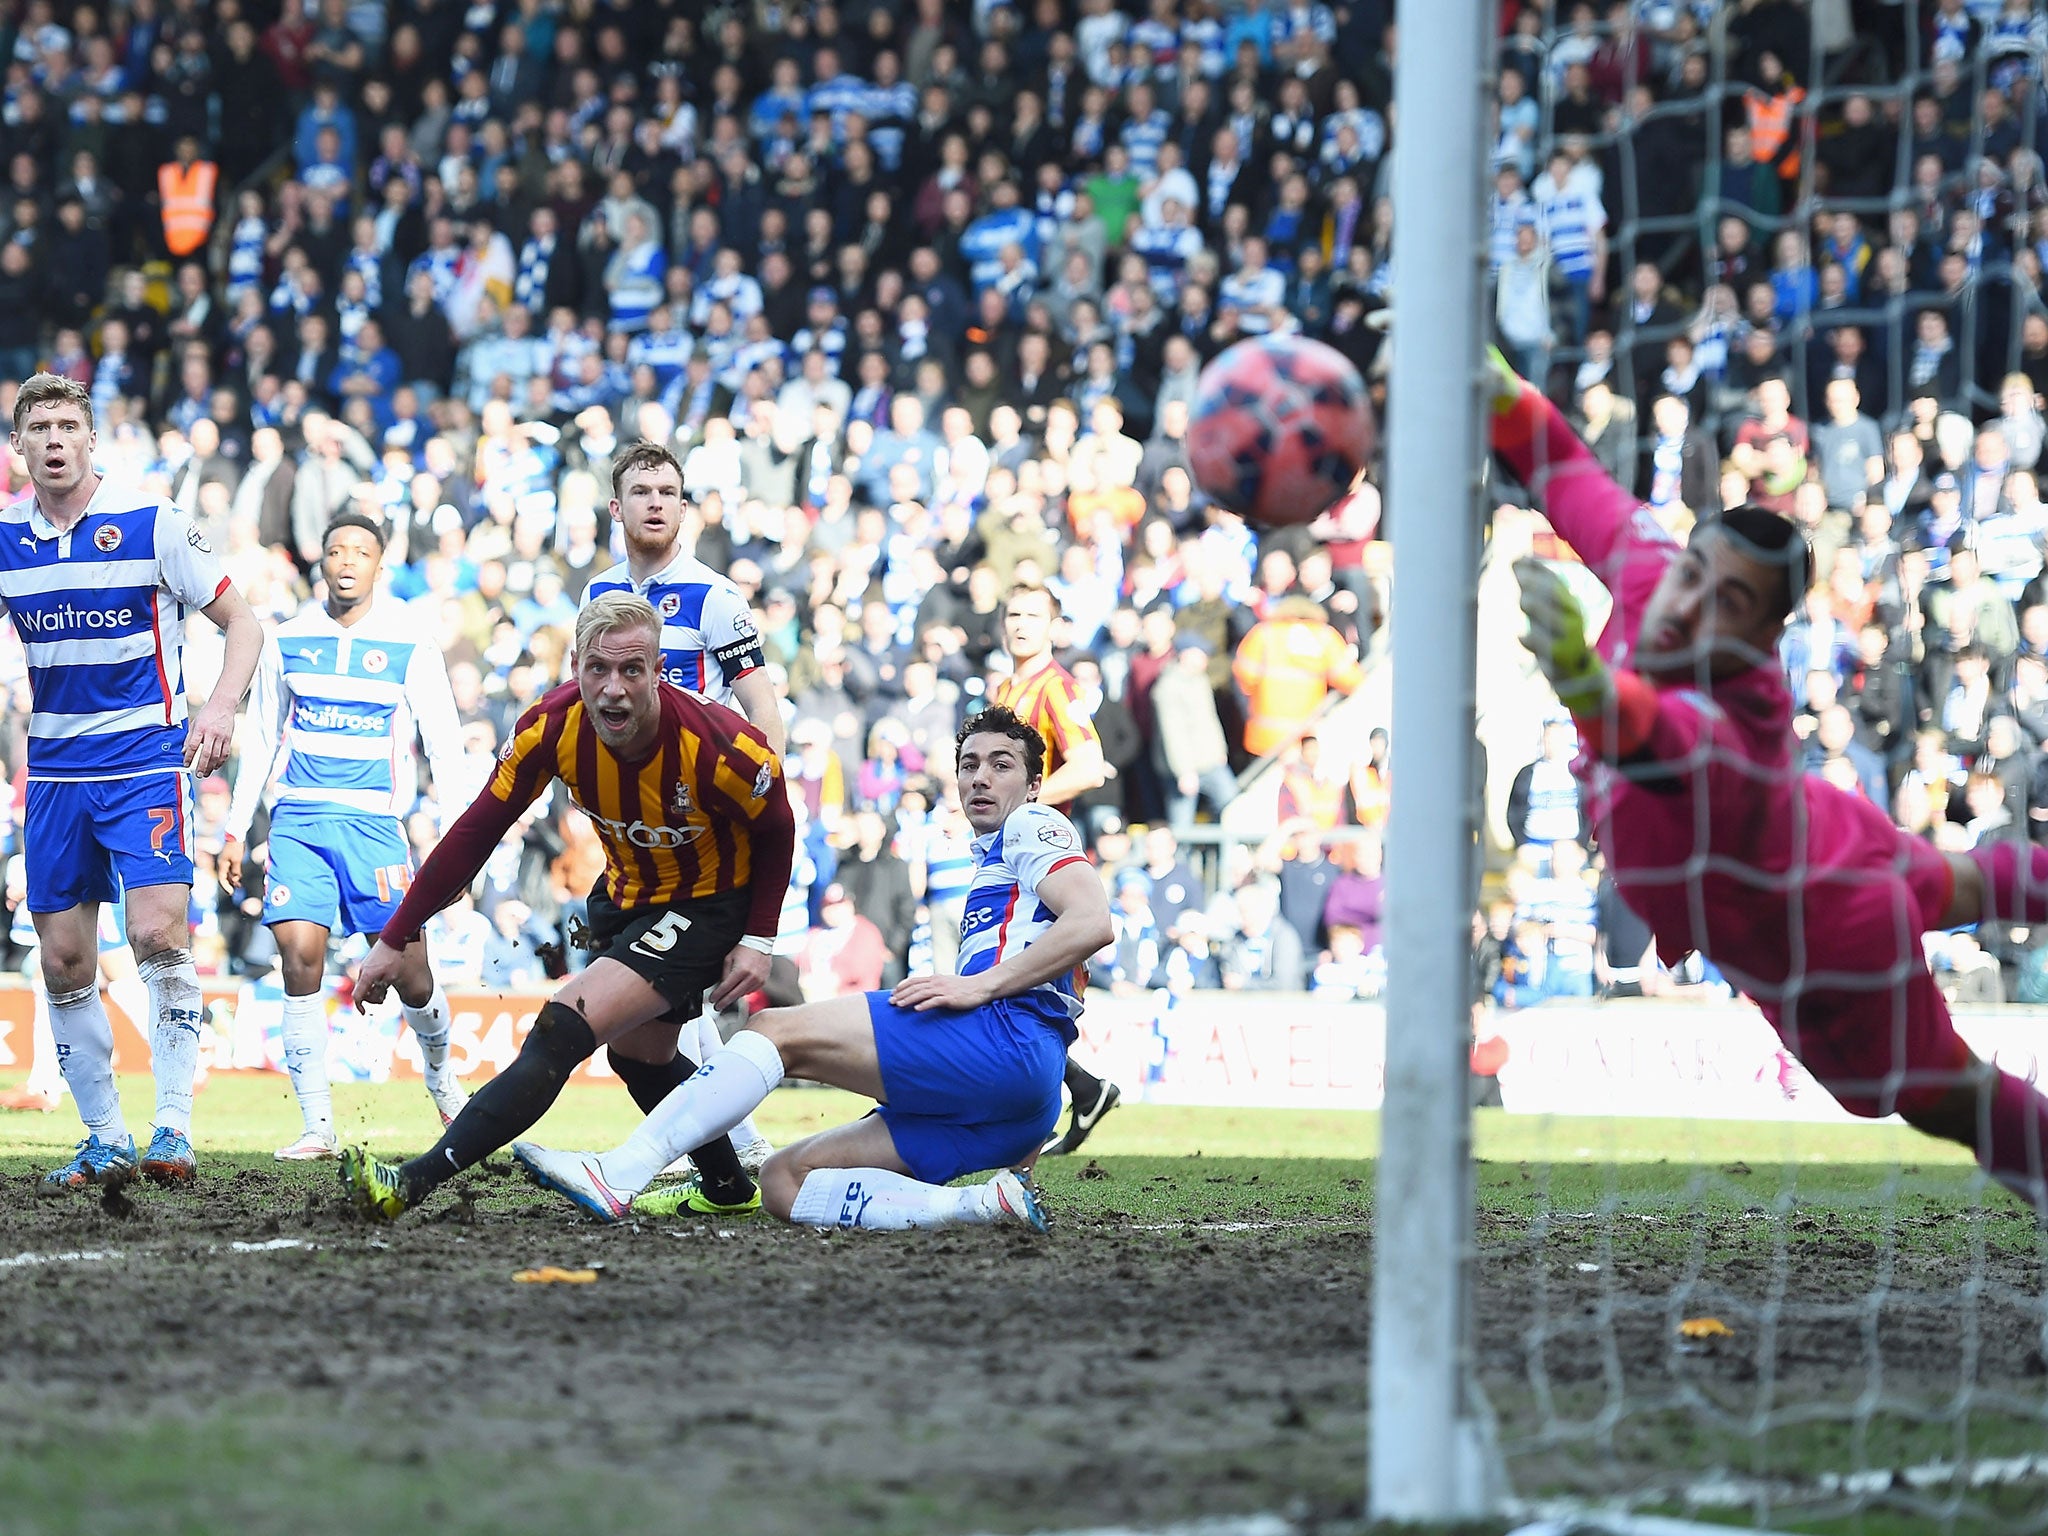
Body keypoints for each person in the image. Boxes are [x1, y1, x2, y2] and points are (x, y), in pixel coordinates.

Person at [1490, 348, 2048, 1217]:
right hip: (1825, 836)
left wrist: (1583, 680)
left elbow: (1660, 740)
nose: (1690, 605)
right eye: (1694, 576)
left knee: (1945, 1098)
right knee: (1969, 881)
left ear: (1761, 636)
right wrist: (1495, 388)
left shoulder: (1741, 709)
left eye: (1729, 605)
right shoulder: (1649, 566)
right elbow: (1567, 472)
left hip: (1827, 933)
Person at [512, 705, 1111, 1233]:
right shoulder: (999, 855)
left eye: (1001, 765)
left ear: (1035, 785)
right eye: (970, 764)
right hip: (1022, 1100)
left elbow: (1092, 921)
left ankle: (618, 1174)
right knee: (785, 1182)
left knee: (772, 1031)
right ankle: (982, 1205)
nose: (980, 777)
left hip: (1002, 1041)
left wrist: (977, 985)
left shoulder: (1034, 823)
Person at [337, 593, 793, 1220]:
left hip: (711, 903)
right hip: (628, 895)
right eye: (597, 670)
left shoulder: (718, 745)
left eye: (632, 670)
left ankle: (413, 1181)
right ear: (575, 664)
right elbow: (476, 832)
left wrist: (759, 937)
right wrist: (396, 935)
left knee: (561, 1027)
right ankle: (728, 1187)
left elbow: (778, 827)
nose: (613, 690)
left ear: (659, 669)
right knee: (639, 1057)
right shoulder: (551, 727)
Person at [8, 373, 263, 1190]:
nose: (54, 440)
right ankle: (106, 1139)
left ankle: (174, 1131)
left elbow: (244, 623)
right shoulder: (8, 538)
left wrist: (219, 707)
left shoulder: (152, 523)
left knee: (157, 934)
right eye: (38, 427)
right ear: (18, 448)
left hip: (142, 763)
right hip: (51, 775)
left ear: (91, 440)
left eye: (66, 426)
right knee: (65, 961)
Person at [222, 512, 471, 1159]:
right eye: (337, 550)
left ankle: (444, 1083)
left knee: (414, 979)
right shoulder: (287, 639)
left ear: (379, 565)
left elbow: (444, 746)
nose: (348, 561)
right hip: (299, 823)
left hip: (375, 828)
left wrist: (459, 839)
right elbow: (261, 740)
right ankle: (317, 1128)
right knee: (299, 960)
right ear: (322, 563)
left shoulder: (410, 642)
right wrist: (232, 829)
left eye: (361, 551)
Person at [580, 440, 783, 1172]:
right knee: (673, 1003)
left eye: (669, 490)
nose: (656, 502)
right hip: (636, 834)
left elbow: (763, 710)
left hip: (704, 831)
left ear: (685, 506)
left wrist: (756, 805)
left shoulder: (716, 598)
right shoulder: (597, 597)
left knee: (674, 995)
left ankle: (728, 1145)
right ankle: (733, 1144)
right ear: (617, 508)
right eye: (642, 491)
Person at [987, 581, 1122, 1156]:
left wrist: (1028, 803)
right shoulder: (1006, 687)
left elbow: (1091, 764)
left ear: (1054, 626)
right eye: (1012, 613)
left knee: (1017, 983)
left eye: (1032, 615)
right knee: (1005, 983)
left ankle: (1043, 1109)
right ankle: (1081, 1089)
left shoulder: (1056, 688)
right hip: (1008, 856)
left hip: (1041, 858)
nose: (1020, 624)